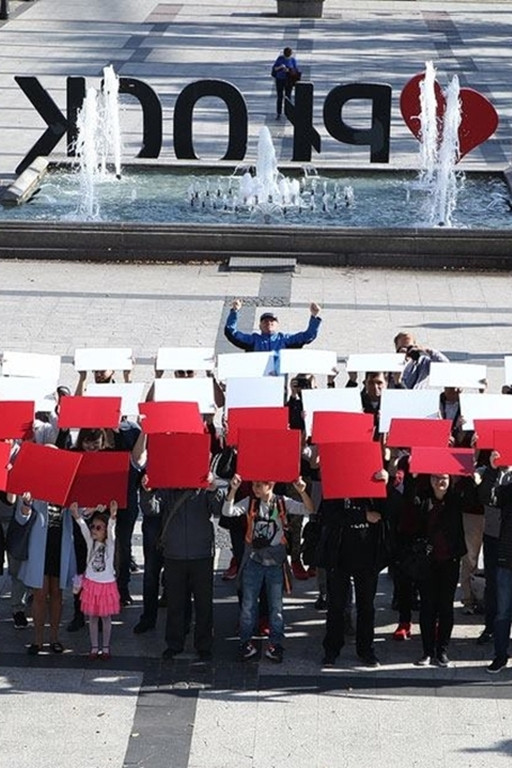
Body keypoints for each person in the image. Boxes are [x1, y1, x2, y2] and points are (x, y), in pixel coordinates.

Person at [223, 473, 314, 663]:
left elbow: (308, 509)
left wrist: (302, 492)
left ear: (270, 485)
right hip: (253, 562)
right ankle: (245, 642)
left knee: (276, 607)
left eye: (259, 485)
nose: (255, 489)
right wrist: (233, 490)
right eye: (254, 485)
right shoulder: (250, 502)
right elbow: (227, 511)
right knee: (248, 606)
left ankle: (276, 644)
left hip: (275, 564)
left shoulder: (282, 502)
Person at [318, 472, 389, 668]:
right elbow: (329, 515)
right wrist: (362, 515)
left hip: (368, 553)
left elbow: (388, 511)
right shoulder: (336, 481)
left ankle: (366, 649)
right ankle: (332, 649)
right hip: (339, 554)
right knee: (336, 605)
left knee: (366, 606)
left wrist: (386, 485)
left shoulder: (373, 480)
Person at [161, 477, 224, 662]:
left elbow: (219, 510)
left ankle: (204, 645)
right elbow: (151, 509)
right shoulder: (168, 487)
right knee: (175, 603)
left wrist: (213, 489)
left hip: (201, 554)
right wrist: (147, 492)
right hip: (174, 554)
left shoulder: (204, 485)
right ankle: (174, 643)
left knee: (204, 603)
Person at [407, 474, 467, 667]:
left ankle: (442, 650)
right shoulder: (422, 499)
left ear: (450, 480)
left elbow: (474, 500)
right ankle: (427, 651)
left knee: (446, 607)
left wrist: (472, 478)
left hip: (450, 560)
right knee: (427, 607)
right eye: (435, 477)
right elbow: (409, 510)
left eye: (443, 478)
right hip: (427, 561)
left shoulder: (455, 500)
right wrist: (412, 478)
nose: (439, 481)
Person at [16, 490, 76, 655]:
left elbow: (81, 512)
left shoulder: (68, 488)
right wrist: (26, 503)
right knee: (40, 593)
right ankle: (38, 640)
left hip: (60, 544)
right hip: (39, 546)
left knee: (57, 593)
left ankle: (54, 638)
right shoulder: (36, 487)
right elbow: (21, 518)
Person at [71, 500, 120, 660]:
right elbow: (83, 529)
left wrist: (112, 516)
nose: (94, 530)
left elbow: (111, 531)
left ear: (105, 531)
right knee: (92, 617)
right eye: (93, 526)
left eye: (99, 528)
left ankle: (105, 647)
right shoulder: (90, 543)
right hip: (91, 584)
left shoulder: (110, 545)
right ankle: (94, 647)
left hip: (106, 584)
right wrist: (77, 516)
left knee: (106, 617)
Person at [224, 300, 321, 360]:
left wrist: (314, 316)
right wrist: (234, 311)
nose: (269, 323)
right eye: (265, 321)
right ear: (260, 326)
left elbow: (307, 336)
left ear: (277, 325)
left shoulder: (284, 339)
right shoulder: (253, 340)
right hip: (257, 378)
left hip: (278, 380)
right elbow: (231, 332)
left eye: (272, 321)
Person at [271, 46, 300, 119]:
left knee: (288, 96)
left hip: (288, 80)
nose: (287, 57)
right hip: (280, 79)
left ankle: (288, 112)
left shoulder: (293, 60)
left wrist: (288, 70)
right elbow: (274, 68)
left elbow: (295, 71)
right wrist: (280, 67)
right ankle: (279, 113)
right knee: (280, 96)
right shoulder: (280, 59)